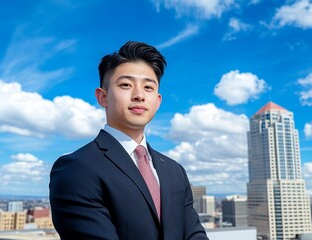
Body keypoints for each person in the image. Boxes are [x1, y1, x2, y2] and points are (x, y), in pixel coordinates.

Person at [49, 41, 208, 240]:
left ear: (158, 101)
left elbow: (194, 235)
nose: (139, 95)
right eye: (126, 85)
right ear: (103, 97)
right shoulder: (76, 168)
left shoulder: (175, 171)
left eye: (148, 87)